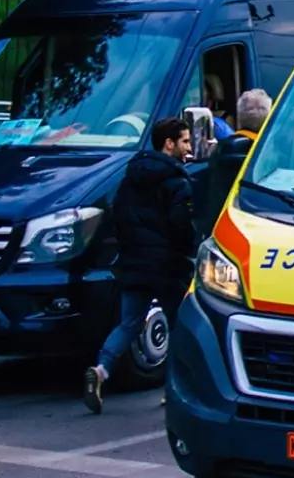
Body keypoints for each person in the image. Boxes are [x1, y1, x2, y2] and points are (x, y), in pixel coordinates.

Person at [83, 116, 196, 414]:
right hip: (168, 266)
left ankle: (101, 369)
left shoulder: (130, 177)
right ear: (169, 144)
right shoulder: (177, 181)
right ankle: (172, 389)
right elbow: (181, 226)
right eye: (185, 141)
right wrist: (189, 252)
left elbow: (118, 217)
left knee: (129, 323)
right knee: (179, 325)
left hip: (133, 264)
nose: (189, 148)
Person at [200, 89, 273, 235]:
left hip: (219, 229)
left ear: (240, 116)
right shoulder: (269, 155)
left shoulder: (220, 150)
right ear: (269, 117)